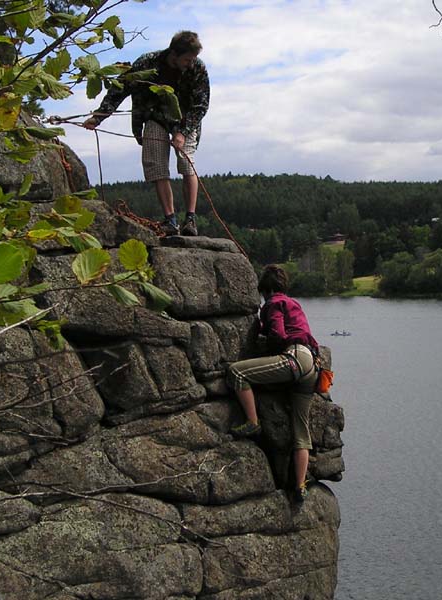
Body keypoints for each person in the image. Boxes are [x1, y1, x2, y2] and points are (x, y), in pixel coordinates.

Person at [83, 31, 210, 236]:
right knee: (155, 165)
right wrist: (98, 117)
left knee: (186, 163)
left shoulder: (198, 68)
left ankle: (190, 220)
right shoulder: (147, 63)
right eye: (187, 59)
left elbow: (201, 105)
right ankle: (170, 220)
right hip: (155, 116)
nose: (190, 62)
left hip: (186, 119)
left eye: (193, 58)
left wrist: (183, 133)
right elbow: (119, 89)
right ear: (174, 54)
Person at [227, 265, 320, 503]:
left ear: (266, 290)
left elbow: (278, 335)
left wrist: (263, 332)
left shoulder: (273, 304)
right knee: (301, 432)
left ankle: (252, 422)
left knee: (237, 373)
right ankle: (299, 486)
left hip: (294, 359)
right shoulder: (294, 304)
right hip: (311, 367)